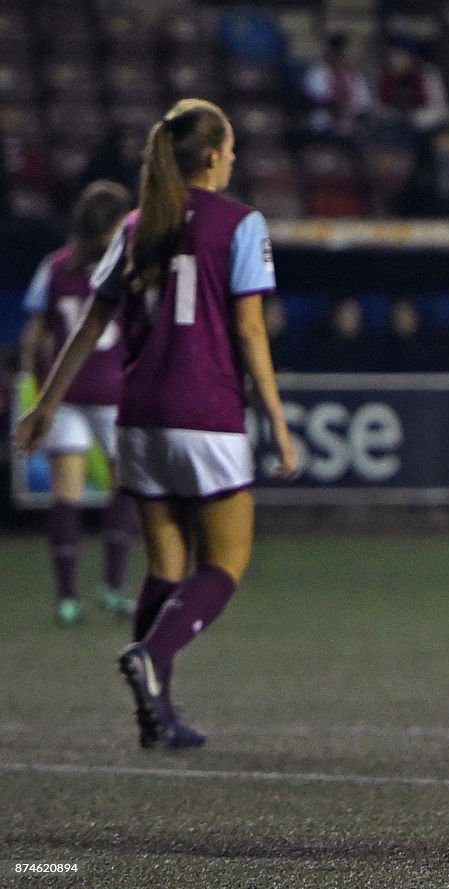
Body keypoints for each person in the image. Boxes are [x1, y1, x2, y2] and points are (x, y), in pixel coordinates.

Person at [14, 98, 298, 750]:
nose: (233, 160)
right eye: (229, 149)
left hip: (138, 413)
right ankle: (149, 654)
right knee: (225, 561)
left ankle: (158, 711)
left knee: (165, 564)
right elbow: (251, 330)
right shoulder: (241, 223)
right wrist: (279, 423)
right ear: (212, 155)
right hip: (208, 411)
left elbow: (91, 323)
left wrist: (47, 402)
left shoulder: (140, 222)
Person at [19, 180, 136, 625]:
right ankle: (112, 587)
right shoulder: (125, 267)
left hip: (63, 392)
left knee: (65, 496)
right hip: (113, 392)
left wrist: (32, 384)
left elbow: (35, 333)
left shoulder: (53, 267)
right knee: (124, 489)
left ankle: (68, 597)